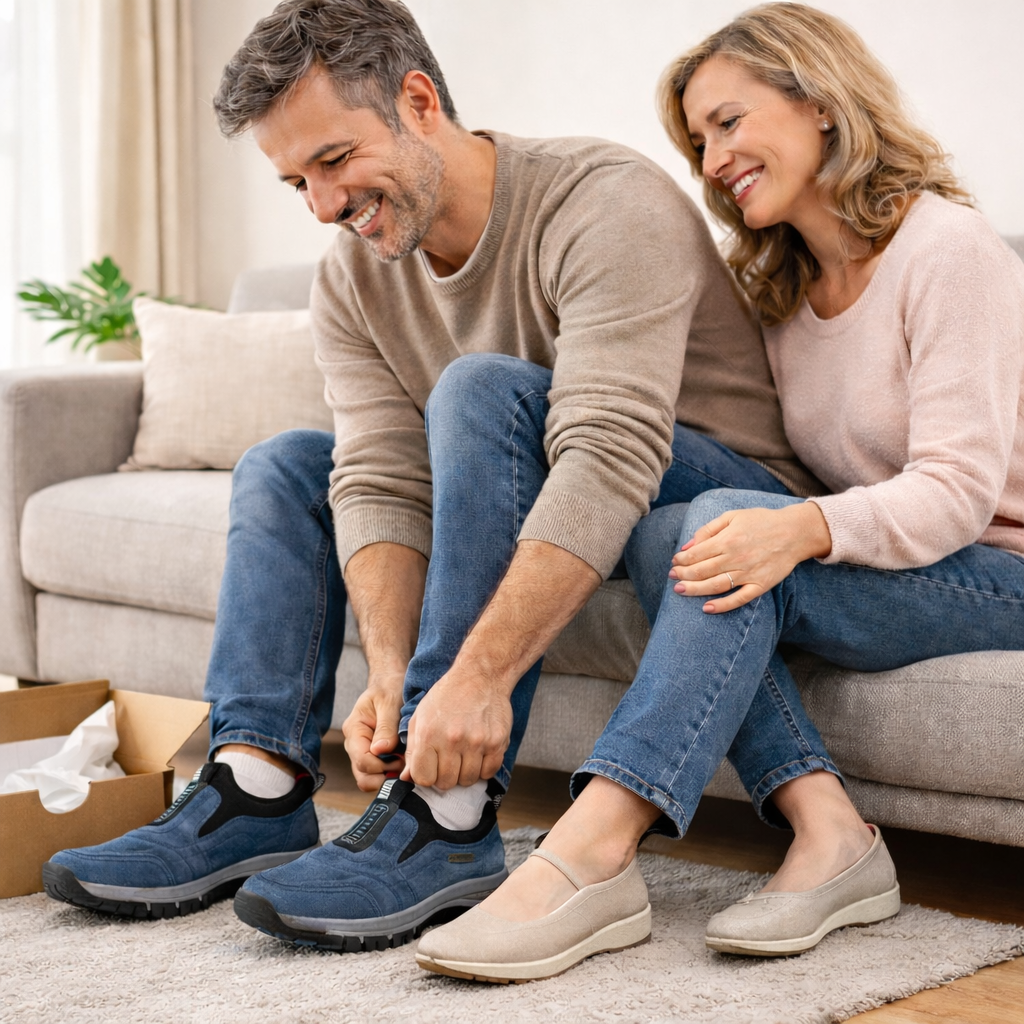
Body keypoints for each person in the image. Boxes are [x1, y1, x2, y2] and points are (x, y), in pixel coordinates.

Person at [42, 0, 833, 954]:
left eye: (334, 162)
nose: (325, 207)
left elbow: (609, 453)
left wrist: (471, 681)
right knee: (289, 464)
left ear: (419, 100)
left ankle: (448, 816)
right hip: (551, 501)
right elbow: (378, 473)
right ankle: (255, 788)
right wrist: (386, 676)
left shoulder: (604, 200)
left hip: (711, 508)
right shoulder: (351, 277)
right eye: (297, 181)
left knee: (481, 390)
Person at [416, 1, 1024, 983]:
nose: (710, 161)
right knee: (548, 432)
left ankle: (596, 845)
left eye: (729, 122)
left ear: (820, 100)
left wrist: (799, 528)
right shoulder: (778, 294)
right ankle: (827, 829)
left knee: (722, 522)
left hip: (991, 572)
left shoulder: (947, 252)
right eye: (697, 141)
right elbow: (678, 447)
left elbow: (955, 492)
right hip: (872, 552)